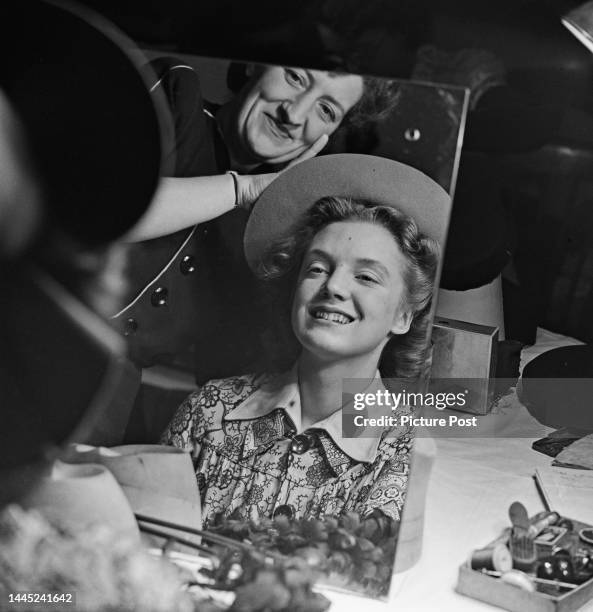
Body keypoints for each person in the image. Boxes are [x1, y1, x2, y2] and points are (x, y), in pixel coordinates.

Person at [161, 154, 449, 527]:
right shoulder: (206, 412)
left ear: (403, 316)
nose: (333, 286)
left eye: (365, 277)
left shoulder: (403, 456)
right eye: (317, 268)